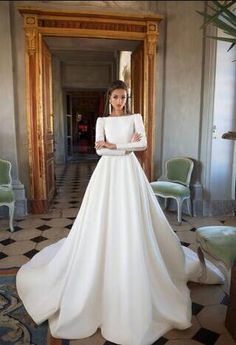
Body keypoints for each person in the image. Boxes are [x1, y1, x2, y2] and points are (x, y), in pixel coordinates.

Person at [16, 80, 224, 345]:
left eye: (123, 97)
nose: (120, 101)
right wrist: (120, 146)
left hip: (130, 173)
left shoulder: (135, 117)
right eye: (116, 97)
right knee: (101, 218)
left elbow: (143, 145)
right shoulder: (102, 120)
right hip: (107, 173)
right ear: (109, 98)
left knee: (132, 217)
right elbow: (99, 149)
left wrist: (116, 146)